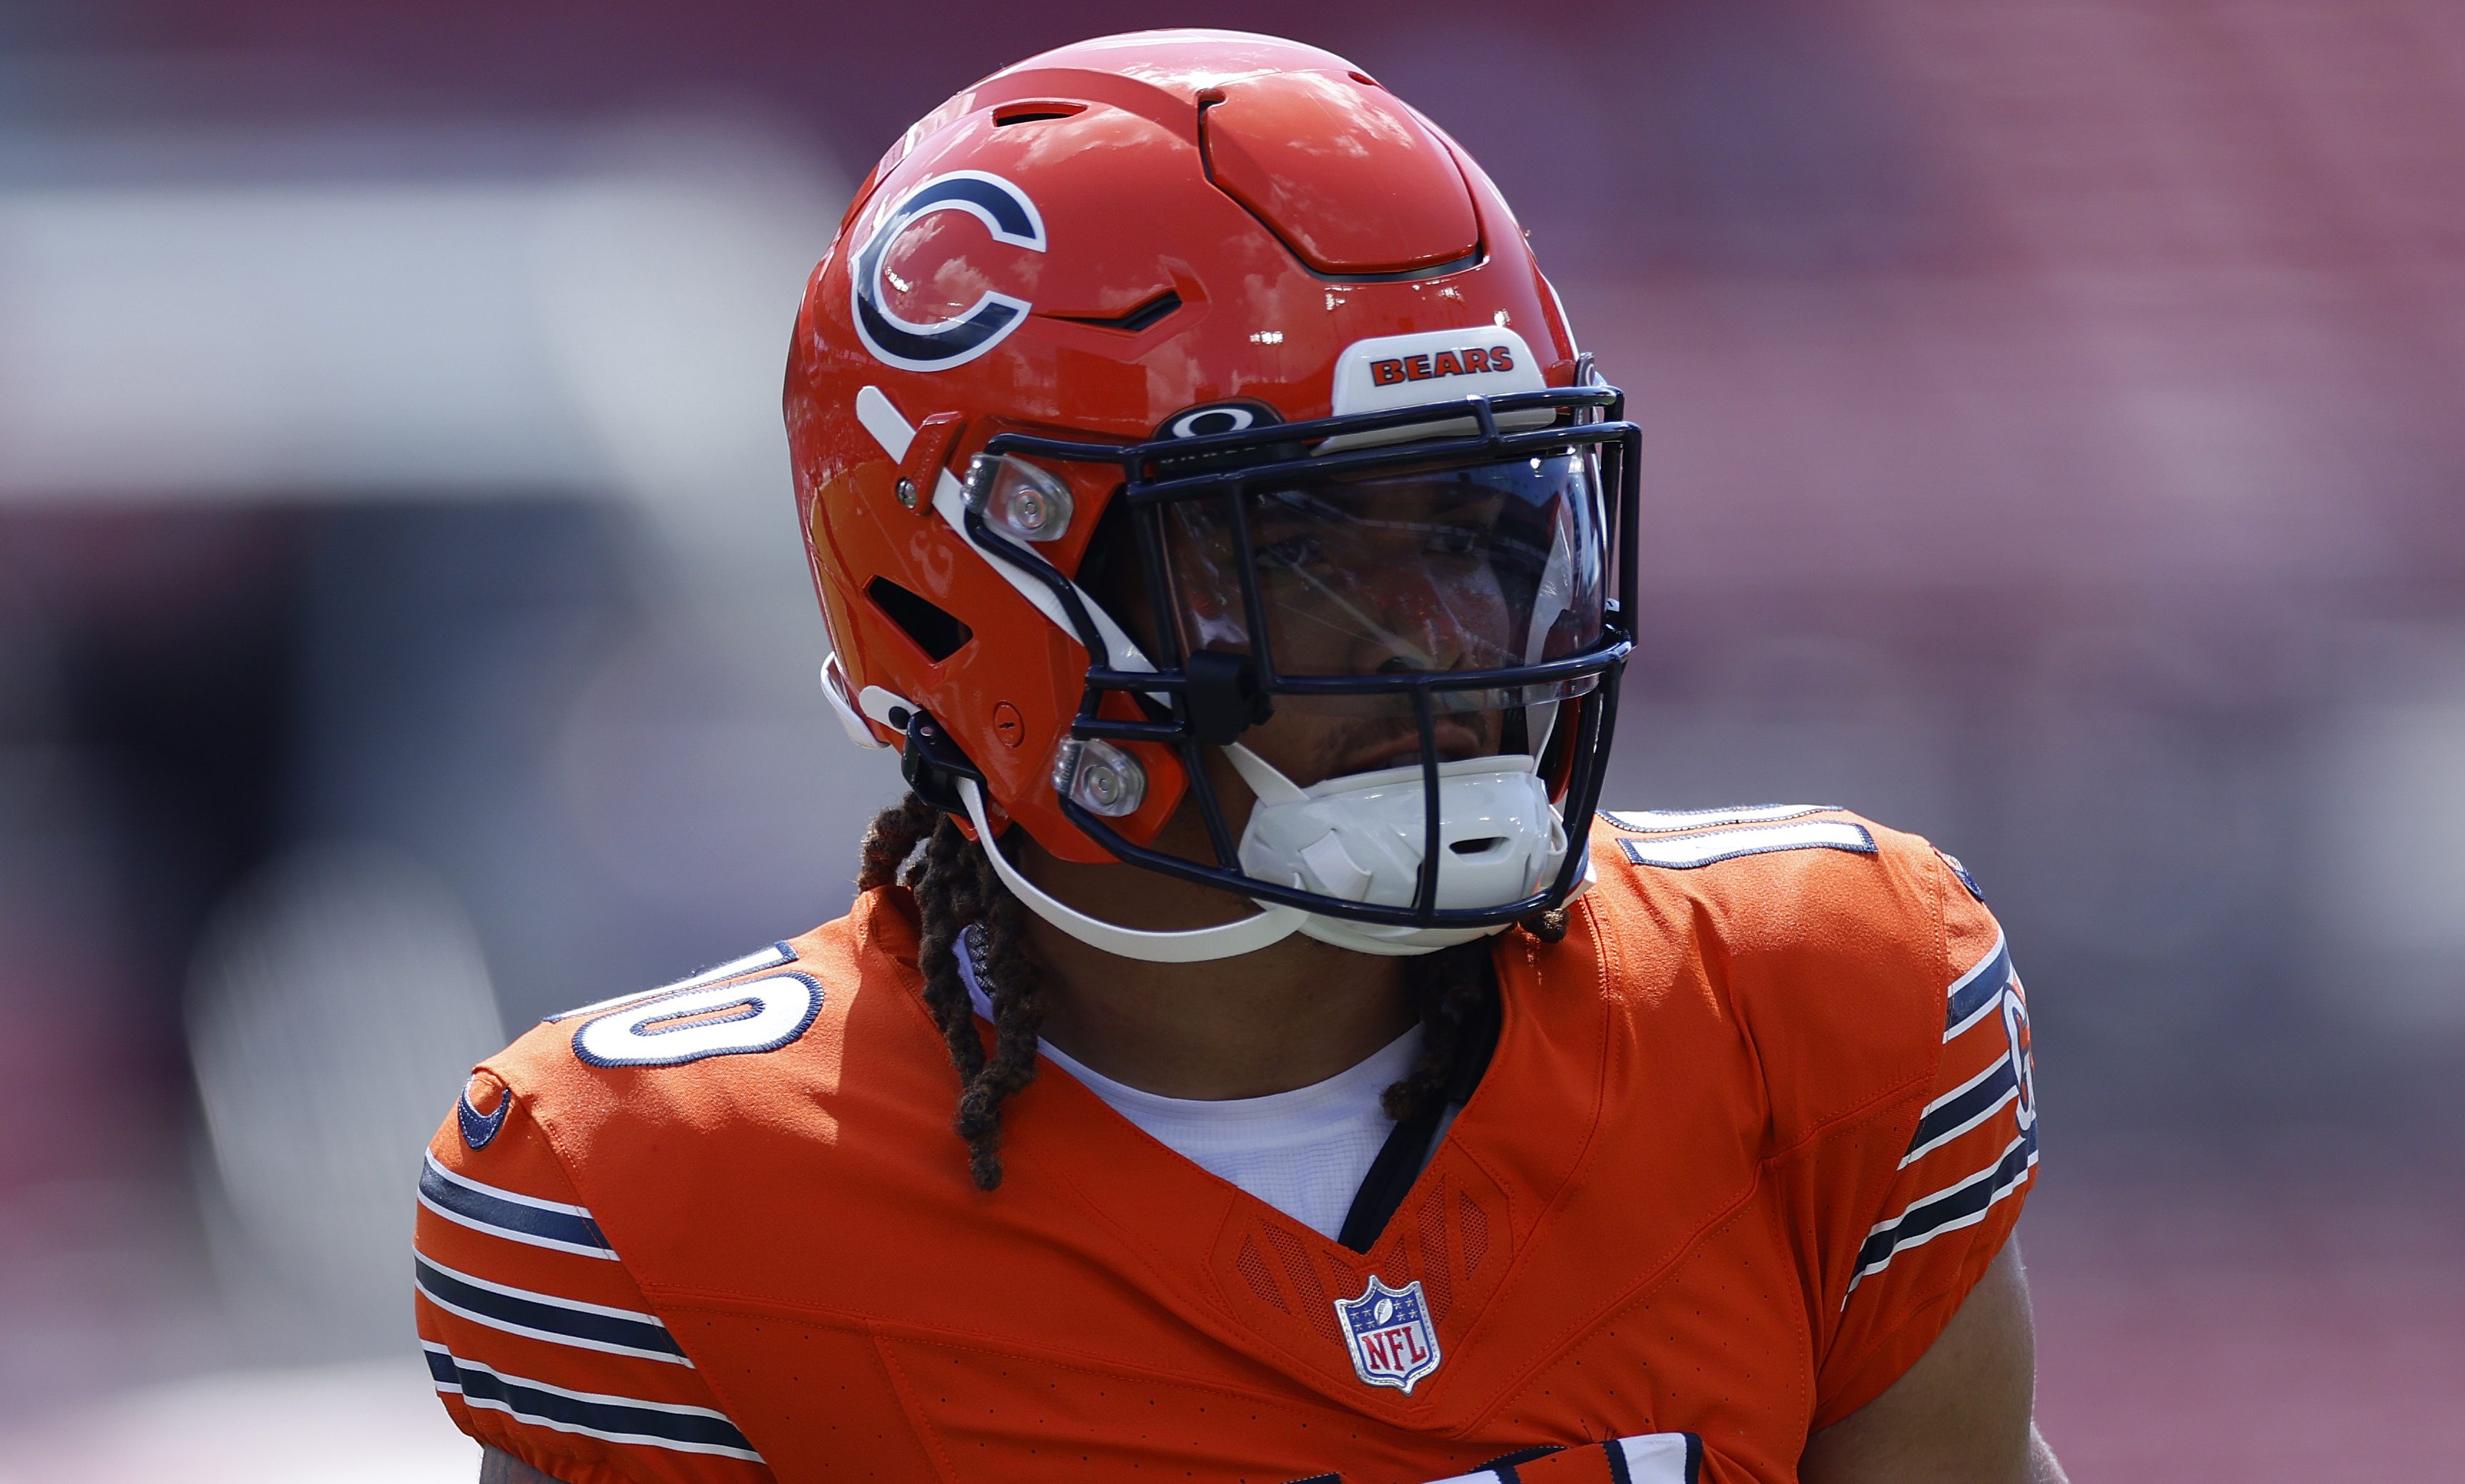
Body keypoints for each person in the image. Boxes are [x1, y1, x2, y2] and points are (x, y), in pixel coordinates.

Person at [414, 29, 2063, 1484]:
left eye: (1485, 529)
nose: (1453, 638)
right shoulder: (684, 1203)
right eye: (1322, 552)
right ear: (982, 599)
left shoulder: (1808, 1013)